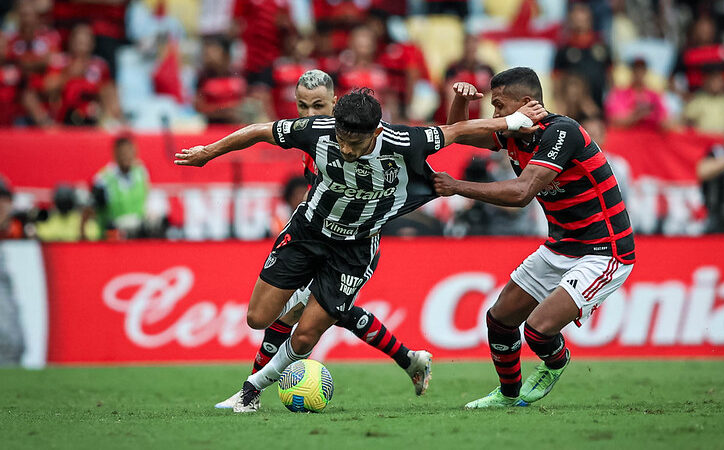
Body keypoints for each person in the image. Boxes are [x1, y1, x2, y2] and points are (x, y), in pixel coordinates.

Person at [176, 86, 546, 413]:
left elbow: (457, 130)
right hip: (308, 233)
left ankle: (249, 392)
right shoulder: (316, 131)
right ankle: (316, 301)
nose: (346, 149)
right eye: (342, 139)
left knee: (305, 336)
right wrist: (209, 152)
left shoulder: (405, 141)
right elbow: (260, 131)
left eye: (356, 142)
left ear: (377, 131)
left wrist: (512, 121)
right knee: (258, 318)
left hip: (355, 249)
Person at [213, 70, 437, 410]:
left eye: (318, 106)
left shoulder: (354, 139)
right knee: (327, 312)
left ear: (335, 103)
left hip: (354, 242)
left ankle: (250, 393)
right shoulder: (313, 138)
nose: (309, 115)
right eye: (302, 106)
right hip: (317, 235)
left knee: (296, 316)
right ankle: (409, 359)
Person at [435, 67, 635, 408]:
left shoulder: (562, 132)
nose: (495, 116)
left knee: (538, 330)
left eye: (499, 106)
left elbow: (522, 192)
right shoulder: (515, 134)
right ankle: (508, 396)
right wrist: (459, 101)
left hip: (604, 251)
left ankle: (556, 360)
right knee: (499, 320)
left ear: (526, 103)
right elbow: (460, 134)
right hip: (560, 246)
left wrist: (456, 187)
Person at [92, 135, 149, 238]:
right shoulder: (103, 179)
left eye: (129, 152)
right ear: (115, 154)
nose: (126, 156)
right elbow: (94, 209)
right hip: (113, 233)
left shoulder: (141, 172)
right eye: (123, 153)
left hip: (138, 232)